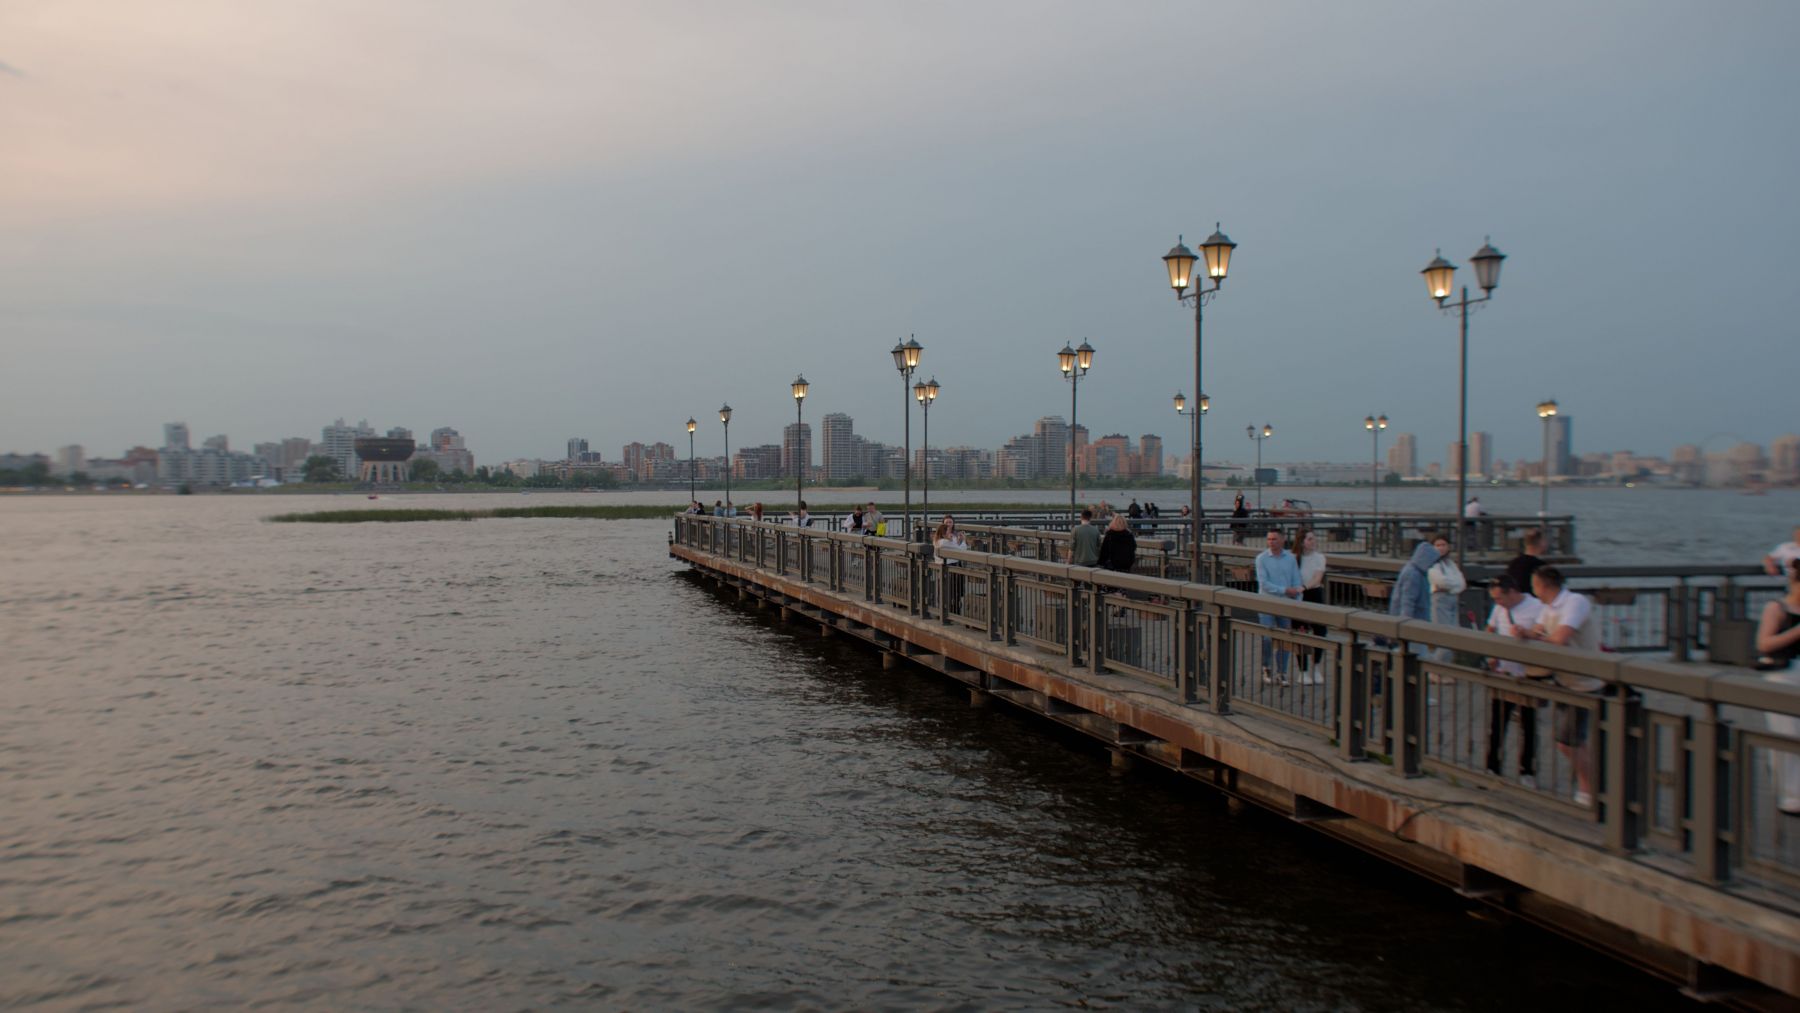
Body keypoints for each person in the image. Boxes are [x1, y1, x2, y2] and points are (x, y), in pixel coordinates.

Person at [1519, 566, 1603, 806]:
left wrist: (1536, 637)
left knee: (1568, 741)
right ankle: (1591, 785)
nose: (1532, 591)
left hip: (1584, 682)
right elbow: (1540, 631)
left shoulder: (1575, 602)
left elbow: (1560, 638)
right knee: (1571, 740)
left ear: (1543, 585)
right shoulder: (1548, 608)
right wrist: (1526, 633)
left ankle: (1590, 788)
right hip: (1565, 679)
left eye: (1534, 585)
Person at [1484, 574, 1546, 785]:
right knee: (1497, 723)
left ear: (1512, 592)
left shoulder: (1537, 606)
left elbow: (1545, 635)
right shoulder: (1500, 608)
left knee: (1528, 725)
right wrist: (1490, 655)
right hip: (1504, 672)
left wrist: (1527, 633)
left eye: (1499, 598)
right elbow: (1490, 629)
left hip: (1527, 674)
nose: (1497, 602)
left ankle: (1527, 770)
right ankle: (1492, 767)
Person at [1754, 558, 1800, 815]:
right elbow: (1764, 644)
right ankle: (1790, 796)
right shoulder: (1777, 608)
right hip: (1783, 675)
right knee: (1787, 732)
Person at [1255, 527, 1303, 686]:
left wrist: (1297, 598)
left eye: (1274, 539)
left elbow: (1296, 580)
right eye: (1269, 539)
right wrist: (1285, 590)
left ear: (1282, 540)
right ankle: (1266, 667)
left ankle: (1282, 672)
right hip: (1267, 602)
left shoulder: (1290, 558)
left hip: (1286, 603)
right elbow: (1264, 584)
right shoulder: (1261, 558)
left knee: (1285, 638)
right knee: (1267, 637)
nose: (1271, 542)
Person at [1294, 529, 1328, 684]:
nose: (1313, 541)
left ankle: (1316, 666)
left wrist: (1304, 587)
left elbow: (1317, 578)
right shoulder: (1294, 558)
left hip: (1313, 593)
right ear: (1302, 542)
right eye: (1309, 539)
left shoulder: (1319, 557)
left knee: (1320, 631)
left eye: (1314, 538)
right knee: (1300, 631)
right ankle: (1303, 670)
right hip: (1298, 596)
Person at [1390, 537, 1443, 624]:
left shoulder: (1417, 572)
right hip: (1415, 620)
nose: (1432, 565)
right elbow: (1407, 601)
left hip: (1418, 619)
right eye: (1432, 561)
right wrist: (1406, 623)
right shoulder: (1413, 574)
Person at [1428, 534, 1466, 630]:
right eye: (1438, 545)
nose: (1441, 548)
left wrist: (1451, 589)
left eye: (1443, 545)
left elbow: (1461, 583)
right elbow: (1441, 581)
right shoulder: (1431, 563)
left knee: (1455, 629)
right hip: (1439, 598)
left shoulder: (1450, 563)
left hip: (1453, 598)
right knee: (1442, 630)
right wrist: (1453, 585)